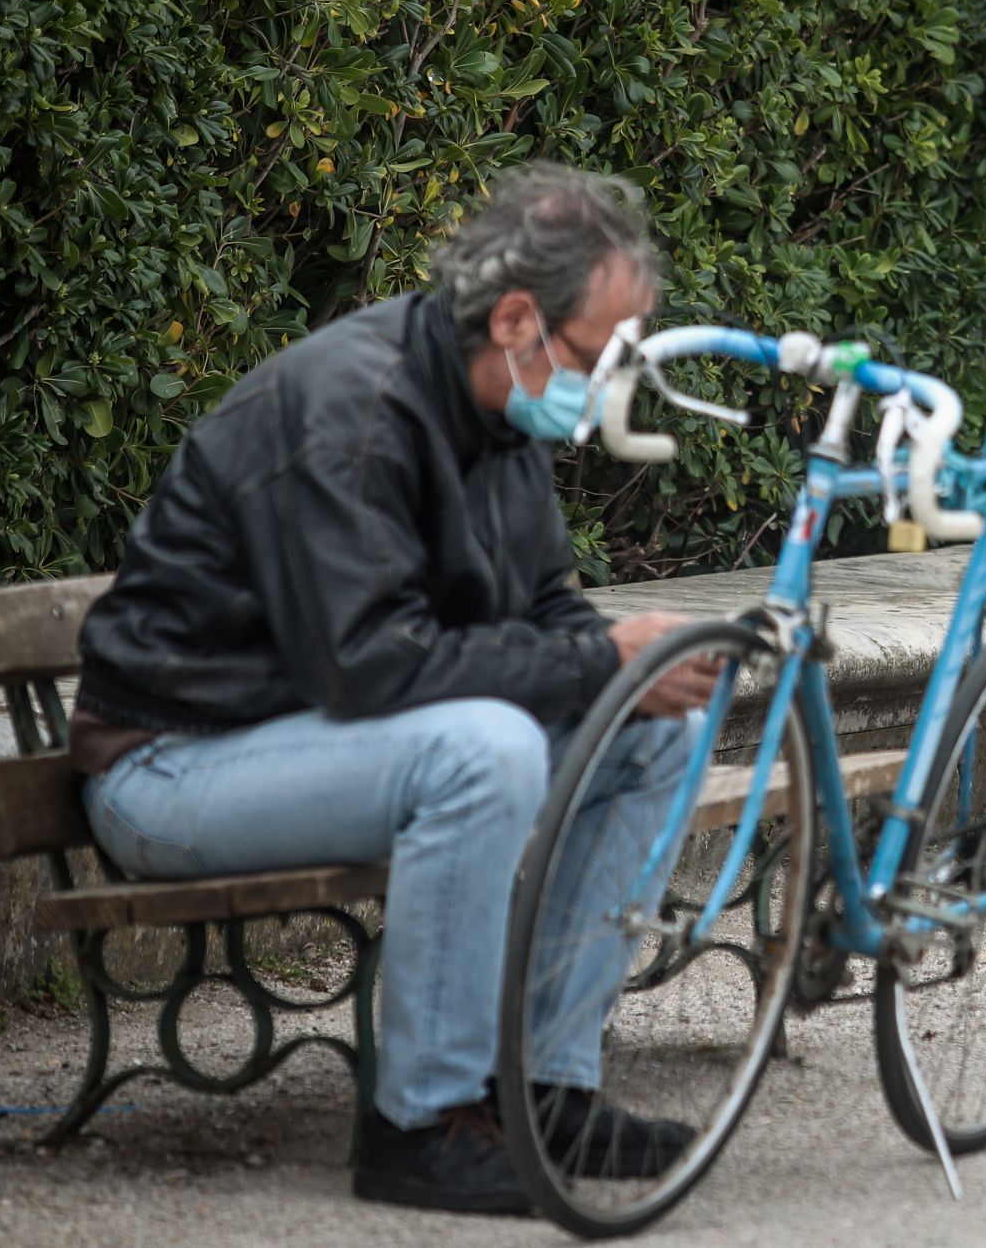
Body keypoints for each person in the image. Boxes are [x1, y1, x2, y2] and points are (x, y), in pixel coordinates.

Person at [69, 163, 716, 1213]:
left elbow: (545, 606)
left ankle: (543, 1094)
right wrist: (601, 657)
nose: (608, 388)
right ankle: (423, 1120)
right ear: (516, 318)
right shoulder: (349, 408)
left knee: (647, 735)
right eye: (600, 358)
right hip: (169, 766)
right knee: (486, 750)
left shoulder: (498, 408)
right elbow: (371, 667)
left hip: (318, 743)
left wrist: (632, 663)